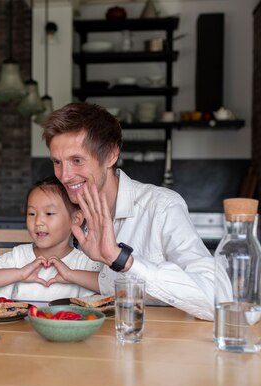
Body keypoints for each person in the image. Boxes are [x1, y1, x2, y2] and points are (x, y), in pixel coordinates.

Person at [42, 102, 230, 321]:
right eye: (57, 162)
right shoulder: (64, 211)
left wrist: (121, 259)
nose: (64, 176)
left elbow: (218, 300)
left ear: (111, 155)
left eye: (76, 161)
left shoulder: (161, 207)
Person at [0, 176, 102, 302]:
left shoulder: (84, 262)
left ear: (76, 219)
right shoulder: (19, 257)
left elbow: (115, 287)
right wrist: (20, 274)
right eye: (32, 213)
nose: (38, 221)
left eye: (49, 213)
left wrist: (71, 275)